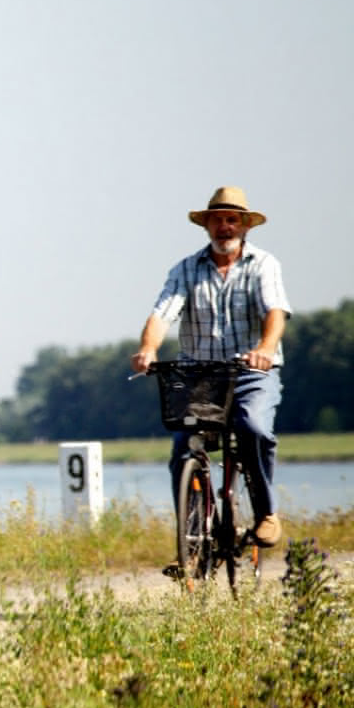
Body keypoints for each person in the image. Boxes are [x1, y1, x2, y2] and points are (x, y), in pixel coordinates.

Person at [130, 186, 291, 553]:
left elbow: (275, 313)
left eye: (232, 219)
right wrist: (148, 348)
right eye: (217, 219)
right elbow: (162, 313)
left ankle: (266, 513)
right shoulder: (186, 269)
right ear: (206, 226)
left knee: (253, 428)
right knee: (183, 448)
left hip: (251, 372)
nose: (224, 227)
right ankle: (191, 540)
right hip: (200, 376)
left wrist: (265, 349)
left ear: (245, 226)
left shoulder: (263, 265)